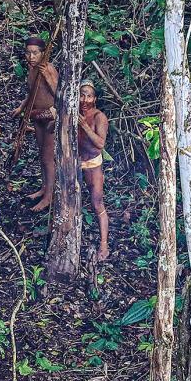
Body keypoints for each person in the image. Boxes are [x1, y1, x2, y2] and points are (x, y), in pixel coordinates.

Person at [12, 36, 59, 211]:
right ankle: (44, 188)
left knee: (48, 158)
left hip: (50, 117)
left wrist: (47, 76)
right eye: (28, 53)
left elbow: (59, 93)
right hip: (37, 117)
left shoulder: (48, 69)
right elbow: (33, 92)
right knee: (42, 155)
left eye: (35, 53)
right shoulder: (32, 70)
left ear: (43, 53)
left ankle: (49, 196)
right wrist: (21, 107)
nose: (31, 57)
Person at [77, 80, 111, 261]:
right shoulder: (73, 112)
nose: (85, 100)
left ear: (95, 99)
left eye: (89, 96)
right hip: (74, 163)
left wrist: (84, 126)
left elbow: (100, 143)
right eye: (82, 95)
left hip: (92, 164)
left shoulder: (99, 117)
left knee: (97, 203)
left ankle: (104, 244)